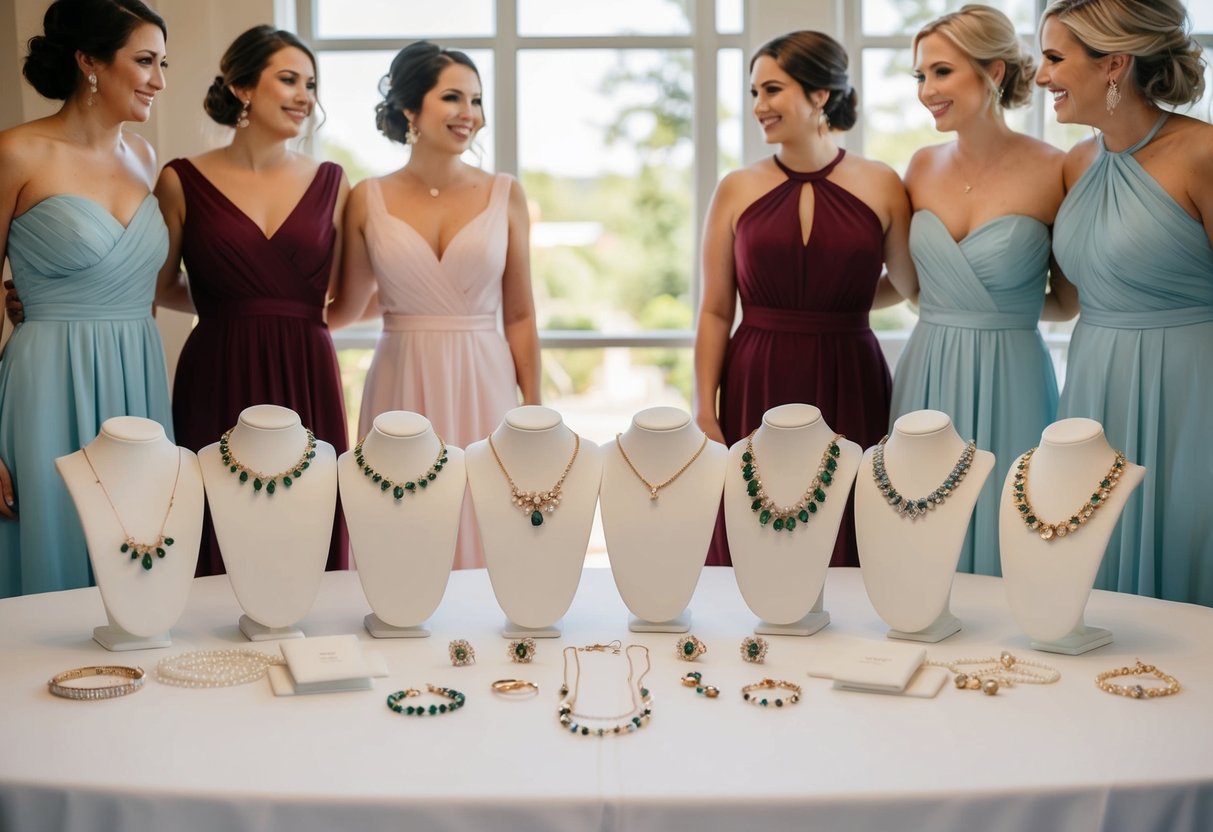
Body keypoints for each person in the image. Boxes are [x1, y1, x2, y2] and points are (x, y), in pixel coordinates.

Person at [694, 30, 917, 568]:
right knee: (758, 519)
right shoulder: (735, 188)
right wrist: (704, 405)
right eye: (753, 93)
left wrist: (849, 304)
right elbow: (717, 308)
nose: (758, 106)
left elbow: (911, 287)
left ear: (820, 95)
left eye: (772, 90)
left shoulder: (882, 183)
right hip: (757, 374)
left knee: (847, 522)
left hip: (851, 373)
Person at [328, 41, 541, 570]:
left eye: (476, 99)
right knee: (400, 513)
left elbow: (519, 313)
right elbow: (347, 307)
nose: (469, 113)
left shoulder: (504, 193)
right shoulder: (367, 197)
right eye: (453, 97)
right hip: (401, 377)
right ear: (409, 109)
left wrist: (534, 408)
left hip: (484, 375)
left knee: (485, 510)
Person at [154, 25, 350, 575]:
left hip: (306, 365)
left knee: (307, 514)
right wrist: (235, 308)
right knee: (217, 514)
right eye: (288, 79)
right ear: (242, 87)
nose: (304, 96)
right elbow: (159, 283)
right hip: (219, 364)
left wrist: (283, 315)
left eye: (310, 84)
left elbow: (349, 293)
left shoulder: (334, 182)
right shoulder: (180, 180)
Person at [890, 5, 1076, 577]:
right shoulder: (919, 168)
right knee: (918, 523)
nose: (926, 90)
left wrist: (1001, 312)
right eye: (920, 76)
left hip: (1012, 372)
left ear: (993, 72)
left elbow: (1067, 300)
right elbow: (911, 287)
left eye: (941, 72)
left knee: (1011, 522)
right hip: (928, 368)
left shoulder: (1056, 169)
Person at [1038, 0, 1213, 605]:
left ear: (1113, 64)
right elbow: (1065, 298)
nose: (1040, 77)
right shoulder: (1074, 165)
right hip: (1093, 383)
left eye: (1055, 58)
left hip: (1191, 393)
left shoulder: (1202, 153)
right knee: (1092, 556)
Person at [0, 0, 173, 597]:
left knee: (137, 565)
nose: (159, 80)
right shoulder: (17, 152)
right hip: (46, 384)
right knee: (53, 554)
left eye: (163, 62)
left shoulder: (146, 160)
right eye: (145, 60)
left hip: (138, 378)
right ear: (89, 62)